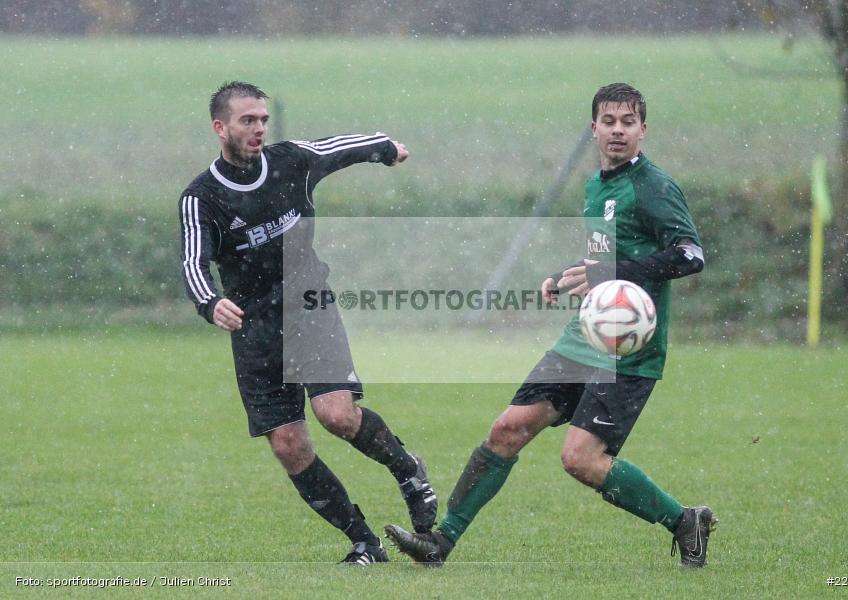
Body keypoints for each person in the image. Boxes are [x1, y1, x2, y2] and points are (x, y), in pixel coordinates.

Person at [385, 83, 715, 567]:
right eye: (609, 121)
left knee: (581, 460)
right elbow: (606, 258)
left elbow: (691, 255)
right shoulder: (596, 185)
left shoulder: (653, 187)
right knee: (508, 429)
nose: (618, 130)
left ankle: (685, 521)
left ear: (643, 129)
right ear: (594, 128)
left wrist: (615, 273)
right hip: (583, 337)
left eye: (628, 122)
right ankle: (441, 542)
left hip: (629, 348)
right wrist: (567, 276)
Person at [178, 81, 436, 565]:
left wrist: (384, 149)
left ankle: (408, 471)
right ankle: (365, 542)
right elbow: (193, 261)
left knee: (336, 415)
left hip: (308, 306)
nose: (259, 128)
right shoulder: (201, 197)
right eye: (247, 121)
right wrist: (209, 302)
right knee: (288, 445)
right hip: (254, 328)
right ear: (220, 128)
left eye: (262, 119)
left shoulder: (291, 161)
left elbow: (339, 148)